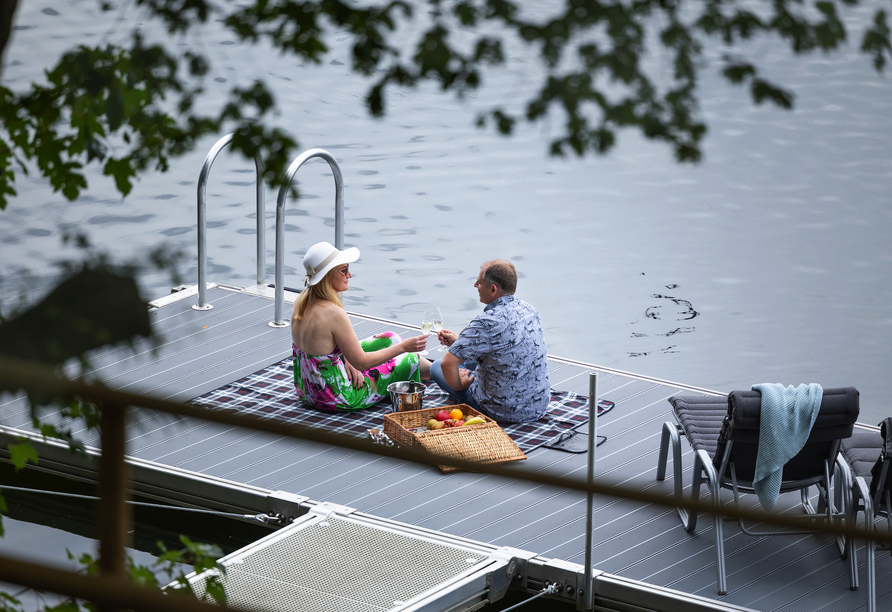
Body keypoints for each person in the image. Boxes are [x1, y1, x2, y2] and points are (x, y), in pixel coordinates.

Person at [291, 241, 431, 412]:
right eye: (343, 270)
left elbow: (324, 348)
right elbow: (362, 363)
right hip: (336, 396)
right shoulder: (333, 313)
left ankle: (431, 369)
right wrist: (404, 347)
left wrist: (345, 358)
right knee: (409, 359)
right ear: (327, 276)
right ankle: (431, 372)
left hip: (307, 390)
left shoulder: (302, 301)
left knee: (390, 337)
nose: (349, 275)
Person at [430, 259, 550, 424]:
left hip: (501, 411)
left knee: (436, 366)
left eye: (479, 283)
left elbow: (446, 364)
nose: (475, 285)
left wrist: (461, 385)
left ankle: (464, 392)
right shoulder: (529, 309)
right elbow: (503, 347)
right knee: (473, 360)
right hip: (538, 406)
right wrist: (460, 342)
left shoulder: (487, 322)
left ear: (493, 289)